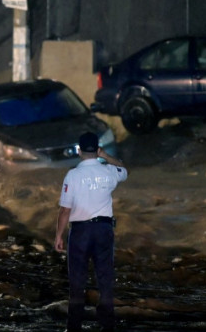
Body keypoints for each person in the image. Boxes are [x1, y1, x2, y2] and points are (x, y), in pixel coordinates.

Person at [54, 132, 128, 332]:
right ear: (97, 150)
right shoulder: (109, 171)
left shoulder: (73, 175)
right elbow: (124, 169)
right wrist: (105, 156)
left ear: (79, 151)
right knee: (105, 280)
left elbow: (65, 210)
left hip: (80, 232)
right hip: (104, 230)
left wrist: (59, 235)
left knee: (77, 283)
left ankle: (74, 326)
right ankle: (107, 325)